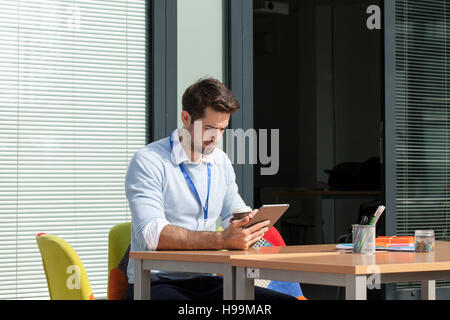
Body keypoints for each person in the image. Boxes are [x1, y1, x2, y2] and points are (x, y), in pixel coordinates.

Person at [124, 78, 295, 300]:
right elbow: (152, 234)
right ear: (186, 118)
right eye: (209, 128)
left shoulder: (220, 161)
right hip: (154, 283)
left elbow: (234, 216)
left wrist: (248, 224)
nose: (215, 138)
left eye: (222, 129)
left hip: (207, 281)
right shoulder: (148, 161)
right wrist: (223, 240)